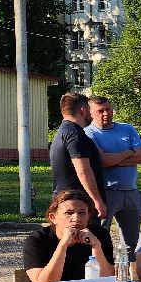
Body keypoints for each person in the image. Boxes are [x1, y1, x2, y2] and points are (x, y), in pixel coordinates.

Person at [84, 95, 141, 254]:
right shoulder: (88, 133)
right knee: (99, 237)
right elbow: (103, 161)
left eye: (108, 109)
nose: (105, 113)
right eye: (100, 111)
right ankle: (102, 273)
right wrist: (128, 152)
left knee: (132, 241)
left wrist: (114, 159)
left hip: (131, 191)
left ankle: (130, 274)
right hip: (106, 192)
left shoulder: (127, 129)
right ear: (91, 113)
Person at [49, 92, 107, 226]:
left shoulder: (62, 133)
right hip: (78, 203)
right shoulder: (75, 135)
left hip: (65, 200)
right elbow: (83, 170)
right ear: (83, 110)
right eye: (89, 109)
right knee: (84, 243)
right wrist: (97, 201)